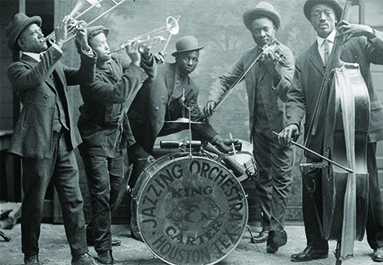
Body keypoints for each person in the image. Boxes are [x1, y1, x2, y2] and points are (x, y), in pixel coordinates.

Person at [278, 0, 383, 262]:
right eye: (316, 14)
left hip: (359, 125)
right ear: (311, 21)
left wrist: (368, 31)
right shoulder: (304, 58)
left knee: (367, 183)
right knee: (313, 183)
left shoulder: (358, 42)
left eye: (327, 13)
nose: (322, 18)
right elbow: (295, 96)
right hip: (321, 131)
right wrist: (293, 122)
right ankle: (316, 245)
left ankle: (379, 243)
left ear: (336, 17)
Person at [5, 13, 97, 265]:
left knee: (74, 199)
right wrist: (57, 46)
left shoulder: (53, 63)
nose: (41, 34)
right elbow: (34, 78)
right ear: (22, 44)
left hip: (65, 140)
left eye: (40, 31)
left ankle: (80, 254)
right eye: (35, 33)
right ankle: (30, 255)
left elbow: (84, 78)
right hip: (37, 143)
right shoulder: (17, 68)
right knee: (33, 203)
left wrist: (84, 46)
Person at [203, 2, 295, 253]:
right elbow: (225, 79)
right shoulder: (249, 57)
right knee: (263, 177)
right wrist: (213, 97)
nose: (262, 35)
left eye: (266, 29)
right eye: (256, 31)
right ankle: (267, 226)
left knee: (282, 179)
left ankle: (276, 229)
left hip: (283, 130)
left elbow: (287, 90)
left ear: (274, 28)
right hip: (260, 130)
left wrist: (273, 67)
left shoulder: (284, 54)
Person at [76, 25, 158, 264]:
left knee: (116, 190)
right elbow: (118, 94)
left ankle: (95, 232)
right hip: (95, 137)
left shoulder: (116, 60)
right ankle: (103, 250)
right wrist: (134, 63)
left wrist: (146, 56)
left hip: (116, 135)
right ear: (89, 52)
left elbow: (149, 75)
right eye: (100, 45)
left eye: (106, 42)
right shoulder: (88, 76)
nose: (107, 47)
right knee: (101, 192)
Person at [127, 35, 237, 188]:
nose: (191, 63)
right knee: (128, 180)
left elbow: (196, 119)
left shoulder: (191, 88)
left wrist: (218, 140)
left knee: (155, 183)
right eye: (186, 58)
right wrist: (146, 56)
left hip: (156, 139)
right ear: (177, 57)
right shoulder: (159, 68)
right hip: (134, 133)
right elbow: (144, 64)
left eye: (195, 59)